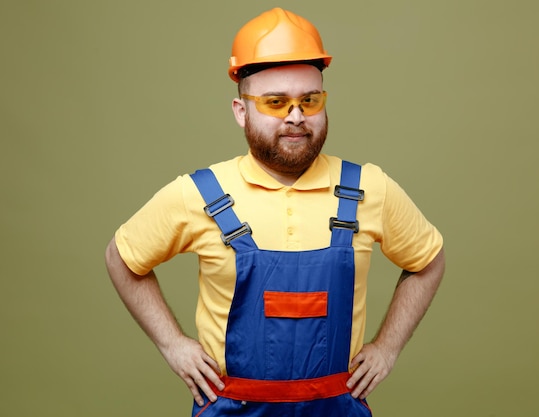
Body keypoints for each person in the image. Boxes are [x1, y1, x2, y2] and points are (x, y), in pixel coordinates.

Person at [105, 7, 445, 416]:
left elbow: (428, 261)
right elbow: (121, 259)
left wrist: (387, 348)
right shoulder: (198, 194)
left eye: (310, 100)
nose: (296, 117)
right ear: (241, 110)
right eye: (275, 102)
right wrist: (172, 344)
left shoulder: (369, 188)